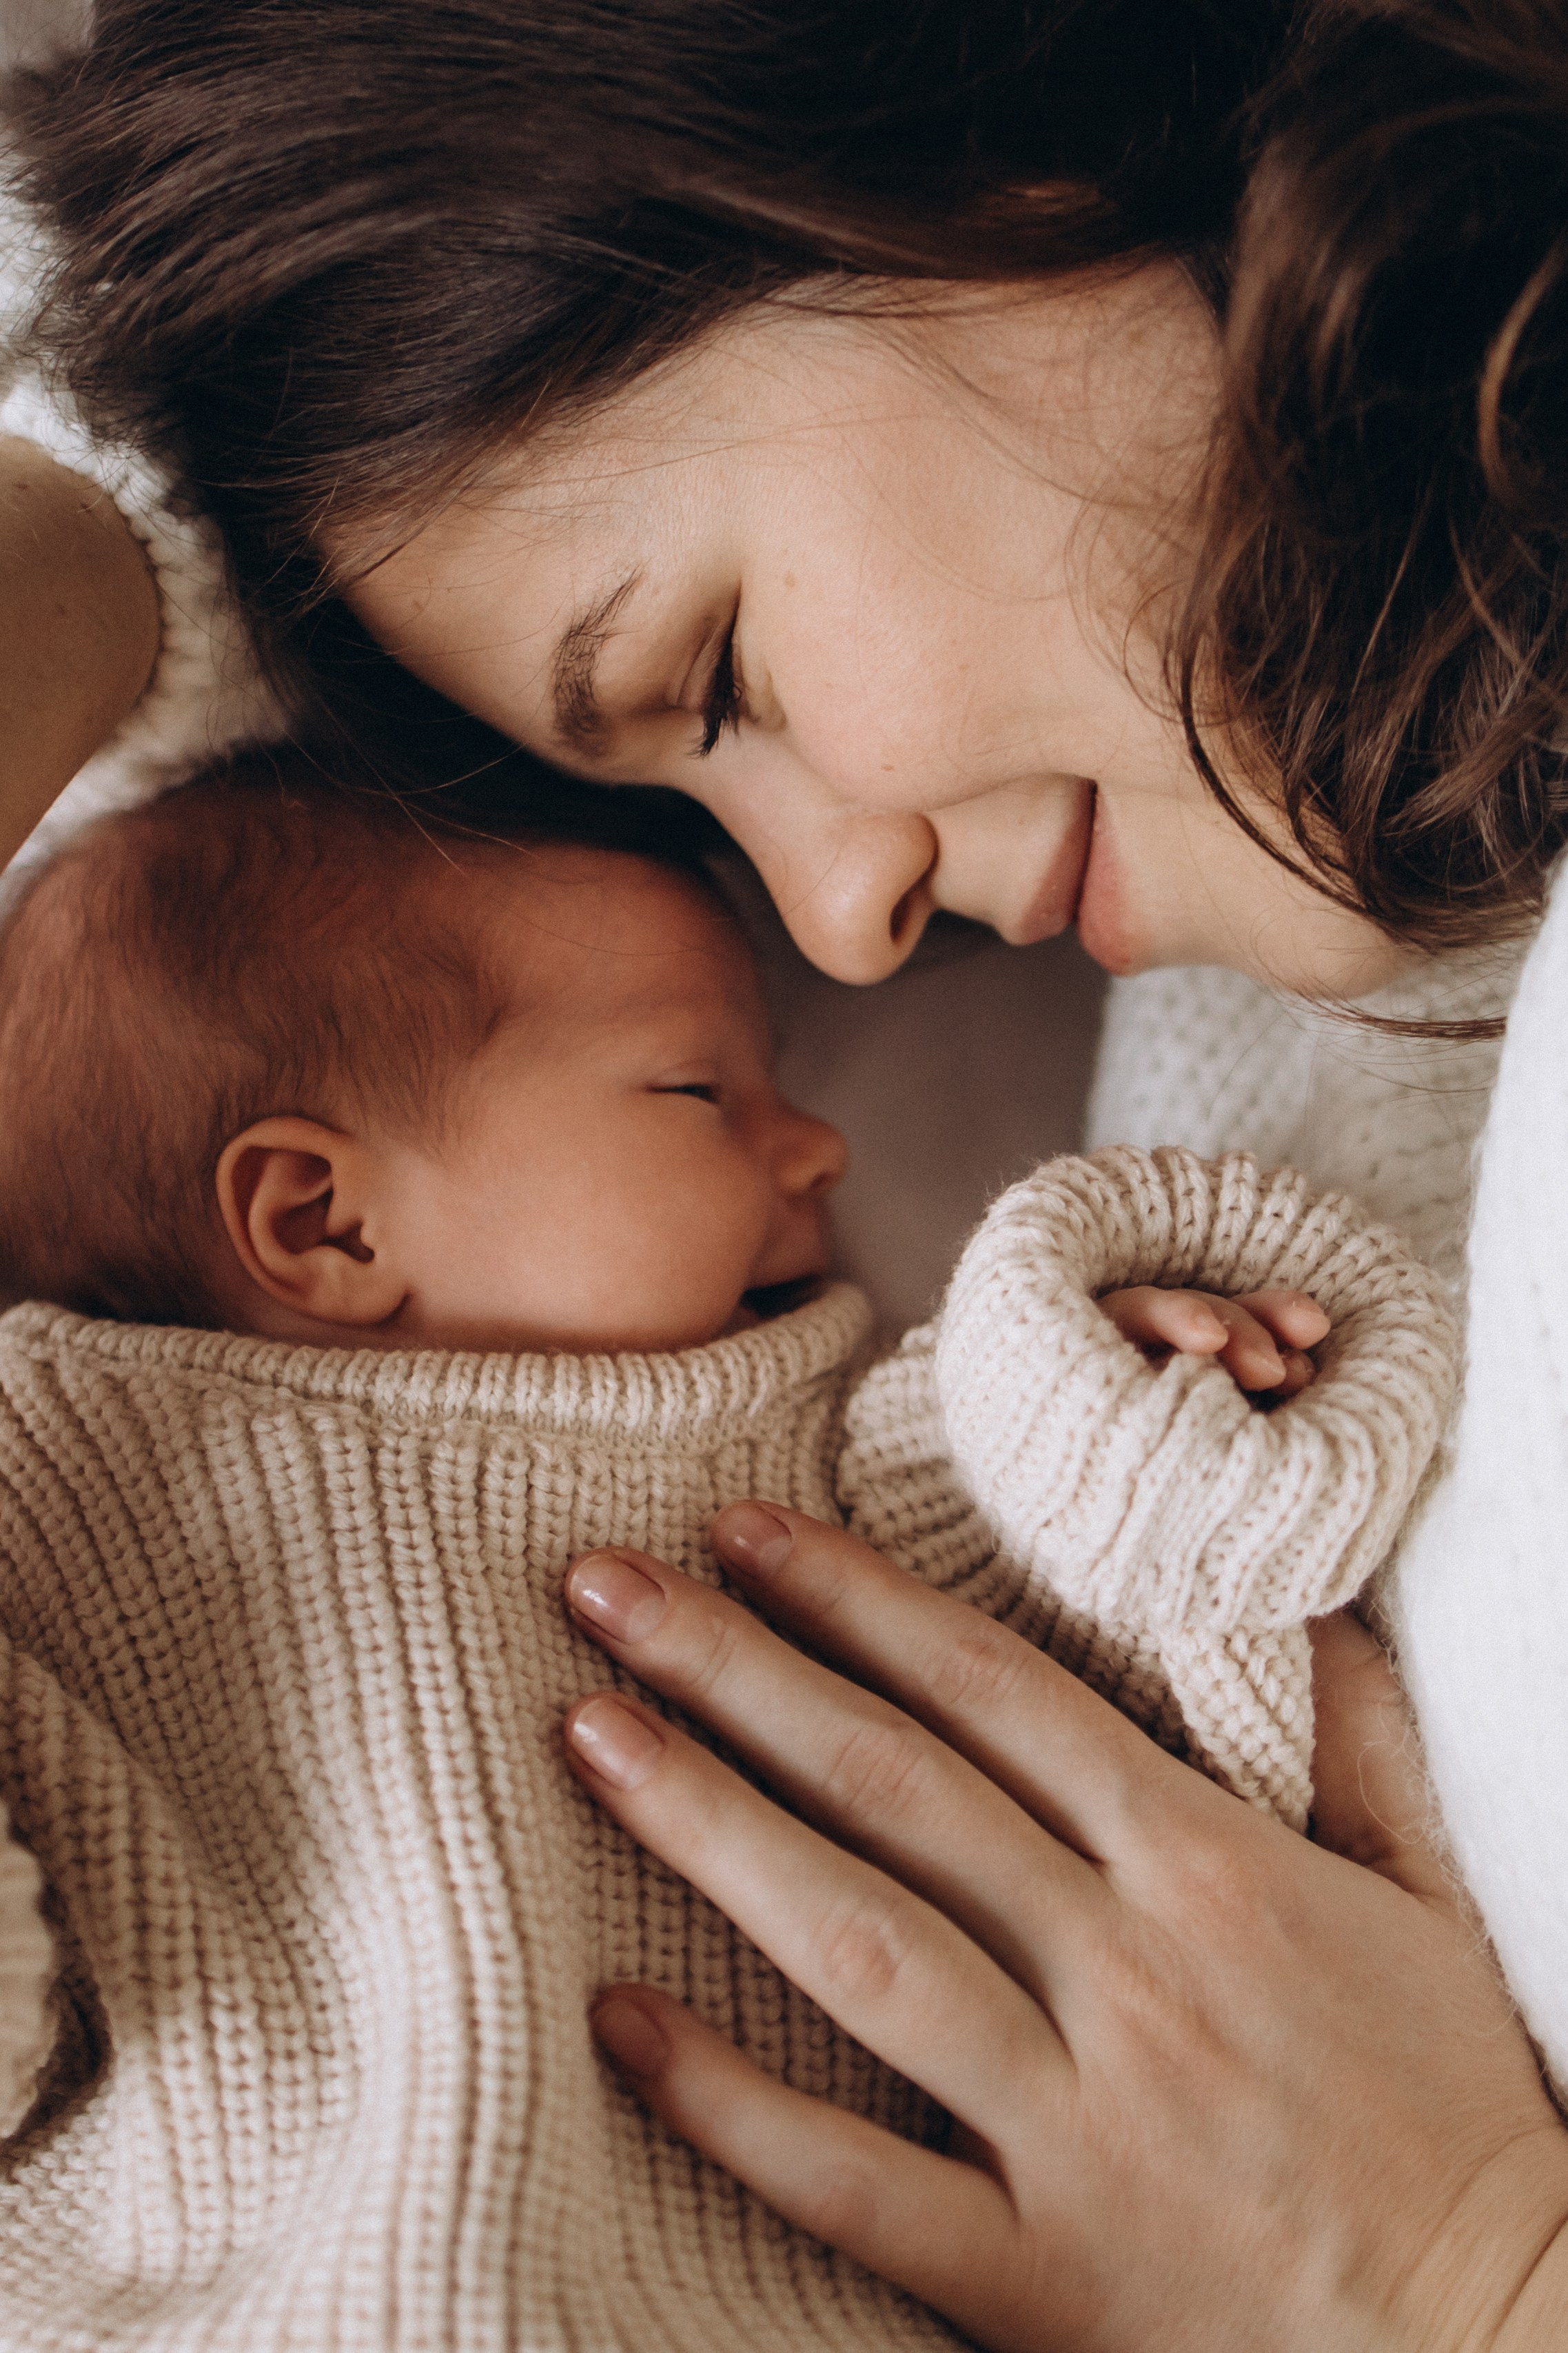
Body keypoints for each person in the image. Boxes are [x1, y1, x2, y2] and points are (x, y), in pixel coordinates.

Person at [2, 0, 1568, 2342]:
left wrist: (1470, 2271)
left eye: (712, 667)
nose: (843, 923)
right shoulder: (1291, 989)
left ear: (995, 124)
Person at [0, 757, 1448, 2346]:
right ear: (326, 1222)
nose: (817, 1147)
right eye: (697, 1091)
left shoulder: (824, 1452)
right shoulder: (61, 1493)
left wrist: (1126, 1370)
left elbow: (1093, 1578)